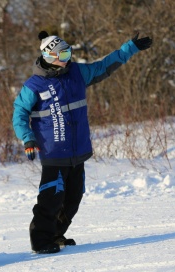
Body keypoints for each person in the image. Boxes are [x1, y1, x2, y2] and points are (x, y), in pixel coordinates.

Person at [12, 31, 152, 254]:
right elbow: (19, 113)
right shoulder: (34, 85)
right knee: (51, 199)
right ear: (49, 56)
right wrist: (28, 138)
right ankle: (40, 241)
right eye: (63, 53)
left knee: (73, 198)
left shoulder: (77, 72)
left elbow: (104, 65)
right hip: (54, 151)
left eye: (69, 51)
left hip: (78, 150)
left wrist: (130, 47)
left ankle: (56, 234)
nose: (68, 56)